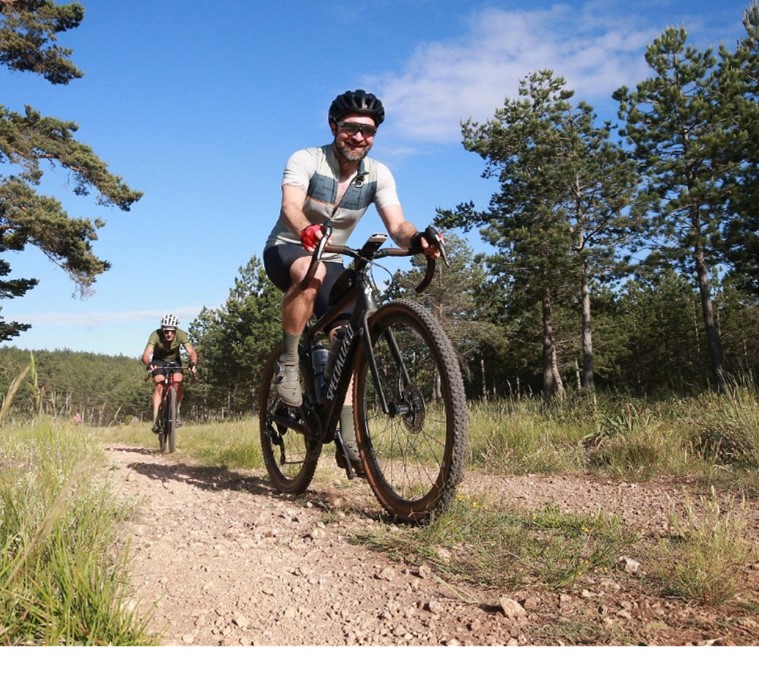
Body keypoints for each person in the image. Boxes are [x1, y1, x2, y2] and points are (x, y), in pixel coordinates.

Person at [263, 88, 439, 473]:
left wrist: (417, 240)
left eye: (368, 131)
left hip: (332, 259)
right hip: (288, 248)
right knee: (311, 273)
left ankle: (347, 435)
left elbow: (398, 225)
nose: (359, 137)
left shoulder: (378, 174)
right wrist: (306, 229)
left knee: (349, 336)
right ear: (333, 126)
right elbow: (290, 205)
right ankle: (289, 361)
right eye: (351, 128)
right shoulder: (306, 159)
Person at [141, 314, 198, 433]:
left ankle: (176, 411)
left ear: (176, 330)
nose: (169, 334)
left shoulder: (181, 334)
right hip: (158, 361)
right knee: (159, 384)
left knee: (178, 381)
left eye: (172, 331)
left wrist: (193, 363)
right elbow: (146, 354)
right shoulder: (155, 335)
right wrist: (149, 363)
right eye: (166, 331)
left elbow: (191, 351)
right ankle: (156, 419)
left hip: (174, 361)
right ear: (162, 329)